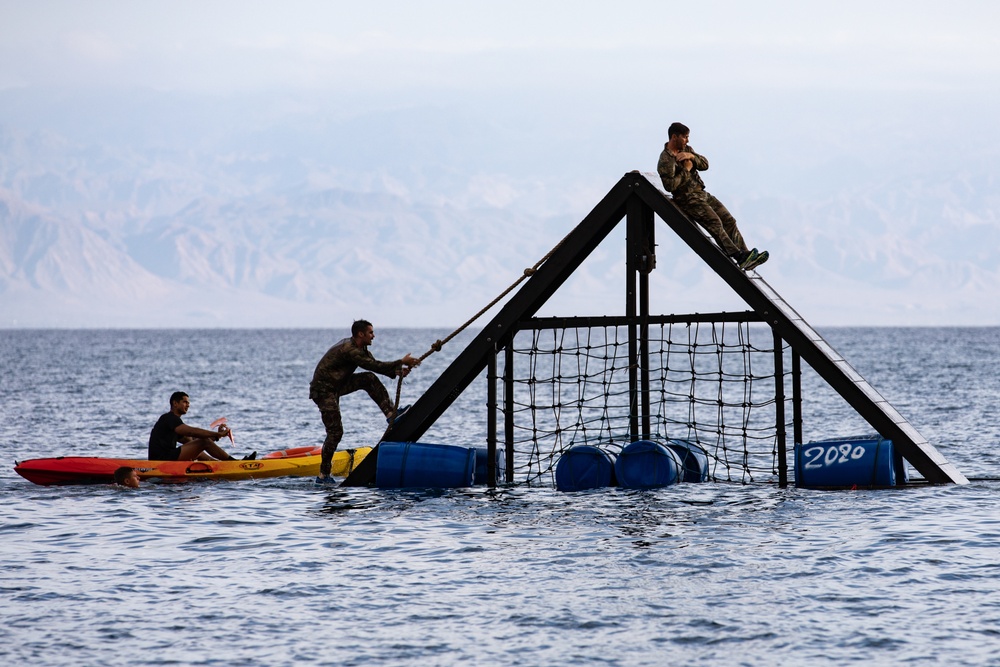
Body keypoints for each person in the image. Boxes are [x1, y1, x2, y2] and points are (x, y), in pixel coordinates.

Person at [310, 320, 420, 483]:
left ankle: (391, 414)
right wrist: (401, 362)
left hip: (337, 385)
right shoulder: (350, 349)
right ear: (360, 334)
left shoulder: (361, 348)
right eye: (370, 333)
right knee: (335, 432)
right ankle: (323, 475)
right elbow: (373, 364)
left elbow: (375, 366)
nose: (373, 336)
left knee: (368, 379)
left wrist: (398, 371)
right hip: (323, 391)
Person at [657, 122, 769, 270]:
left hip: (701, 193)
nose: (687, 141)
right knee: (715, 222)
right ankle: (737, 255)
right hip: (687, 199)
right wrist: (686, 170)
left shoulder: (686, 150)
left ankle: (746, 254)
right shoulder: (666, 159)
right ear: (674, 137)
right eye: (685, 137)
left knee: (728, 220)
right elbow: (670, 186)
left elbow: (705, 164)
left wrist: (691, 156)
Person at [148, 391, 256, 461]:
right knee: (204, 442)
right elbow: (191, 432)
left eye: (188, 403)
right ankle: (234, 463)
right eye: (185, 402)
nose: (188, 405)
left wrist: (216, 437)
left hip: (167, 457)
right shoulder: (169, 418)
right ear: (175, 403)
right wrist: (217, 434)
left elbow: (191, 440)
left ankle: (218, 465)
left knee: (199, 449)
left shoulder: (173, 422)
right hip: (162, 460)